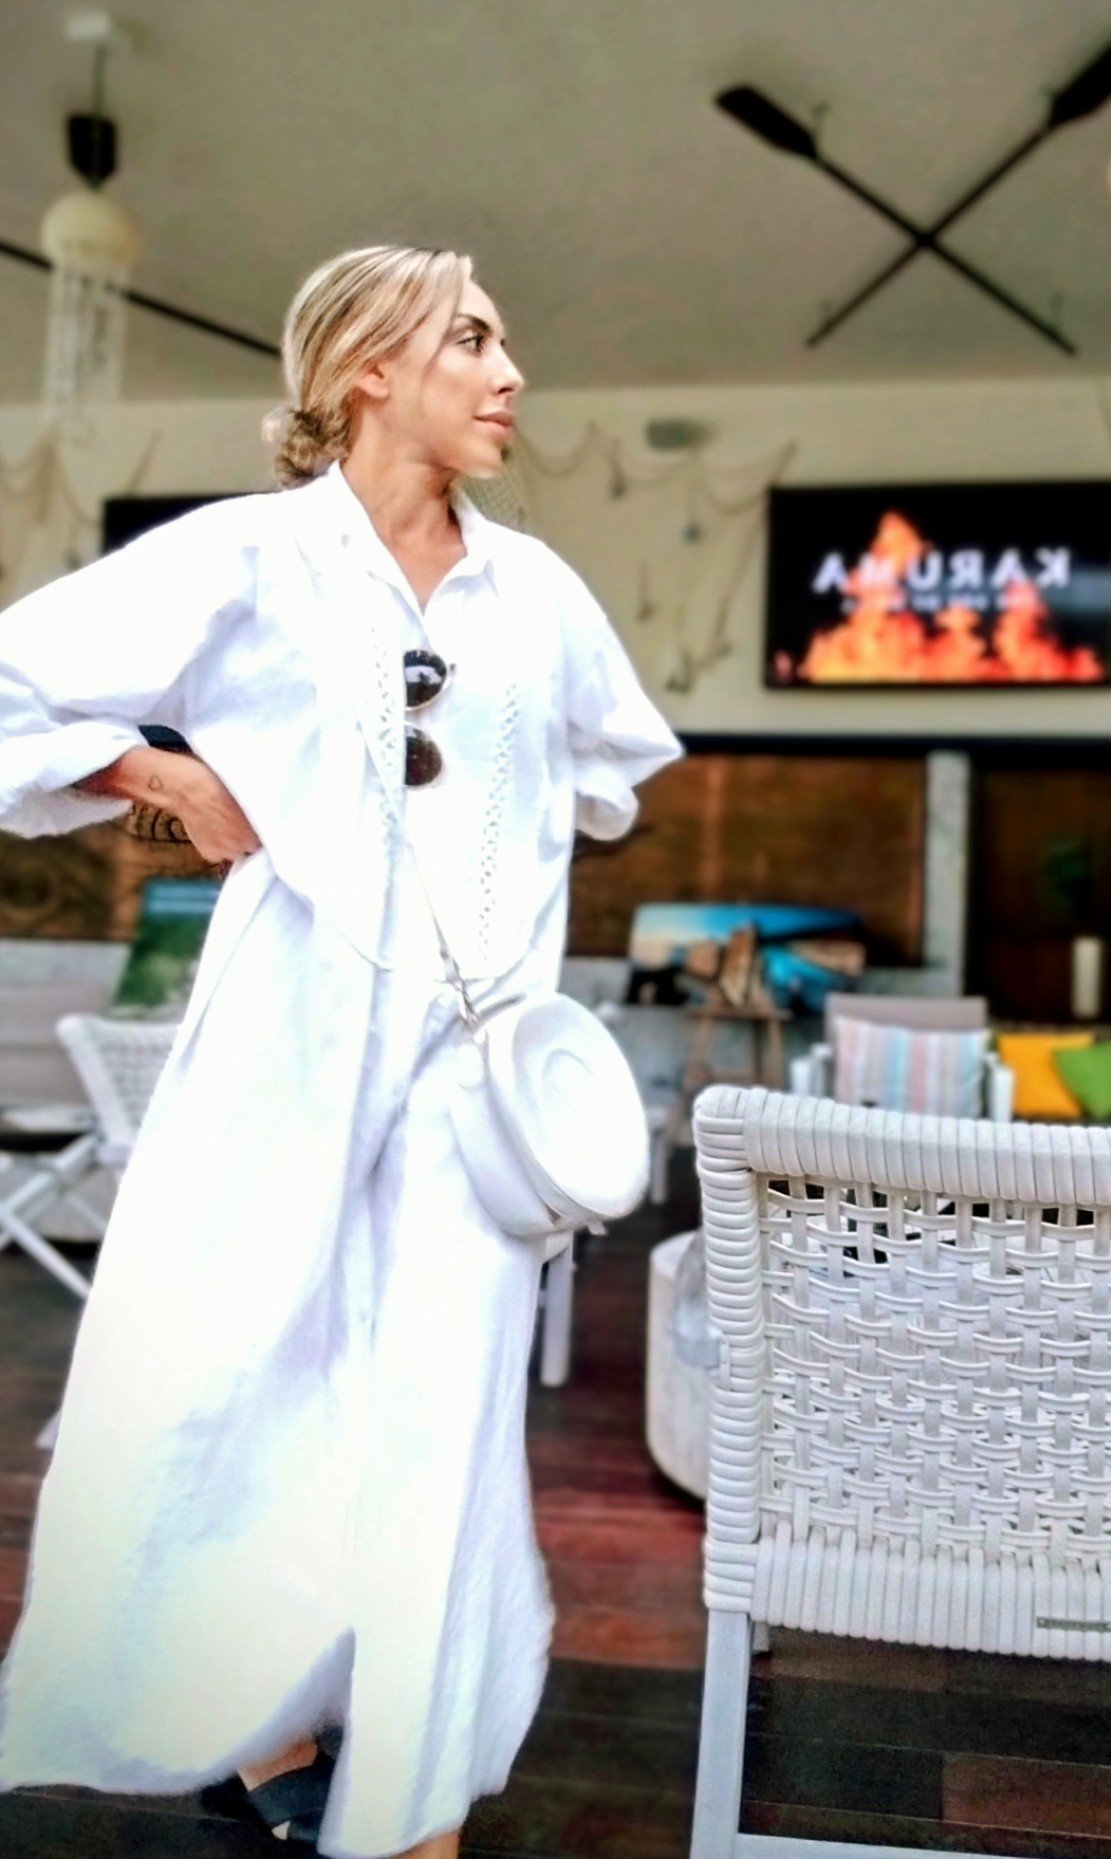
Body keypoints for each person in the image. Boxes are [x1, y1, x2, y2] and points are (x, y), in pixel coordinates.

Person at [0, 244, 684, 1857]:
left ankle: (409, 1807)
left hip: (474, 1076)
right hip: (282, 1045)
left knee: (441, 1431)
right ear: (370, 366)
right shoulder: (247, 558)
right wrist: (165, 777)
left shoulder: (540, 596)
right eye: (474, 340)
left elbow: (606, 779)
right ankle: (261, 1719)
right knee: (234, 1389)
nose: (512, 374)